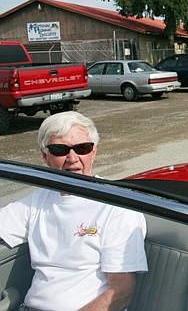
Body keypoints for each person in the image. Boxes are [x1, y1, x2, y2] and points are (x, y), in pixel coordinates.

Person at [0, 111, 148, 311]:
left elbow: (121, 293)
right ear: (45, 156)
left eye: (82, 148)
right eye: (60, 149)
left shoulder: (117, 206)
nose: (72, 158)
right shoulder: (38, 200)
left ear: (93, 152)